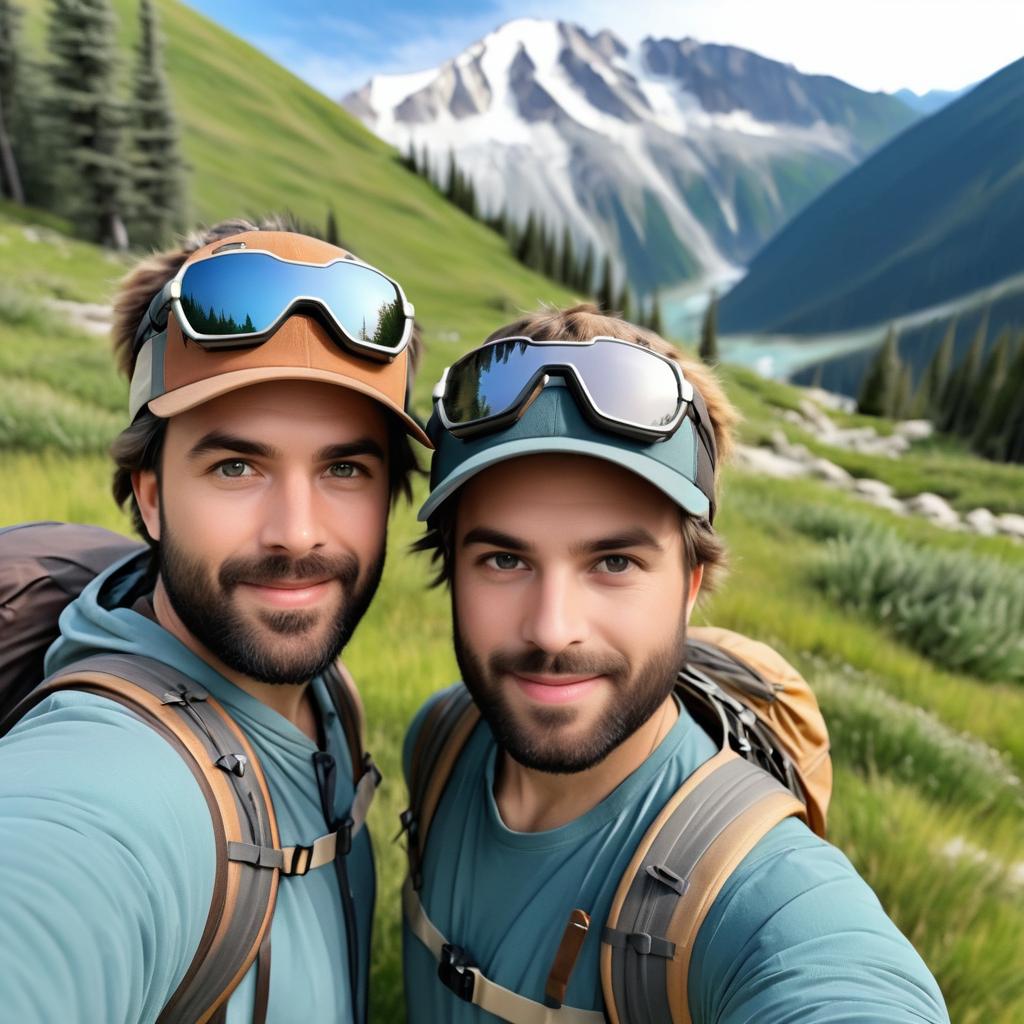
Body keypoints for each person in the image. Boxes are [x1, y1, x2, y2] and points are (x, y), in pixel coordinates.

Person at [401, 304, 949, 1023]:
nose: (553, 630)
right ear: (453, 570)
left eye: (614, 561)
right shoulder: (442, 742)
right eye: (504, 559)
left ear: (691, 588)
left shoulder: (764, 893)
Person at [0, 221, 430, 1023]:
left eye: (344, 468)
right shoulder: (102, 790)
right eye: (236, 466)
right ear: (152, 493)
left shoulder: (322, 696)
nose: (297, 533)